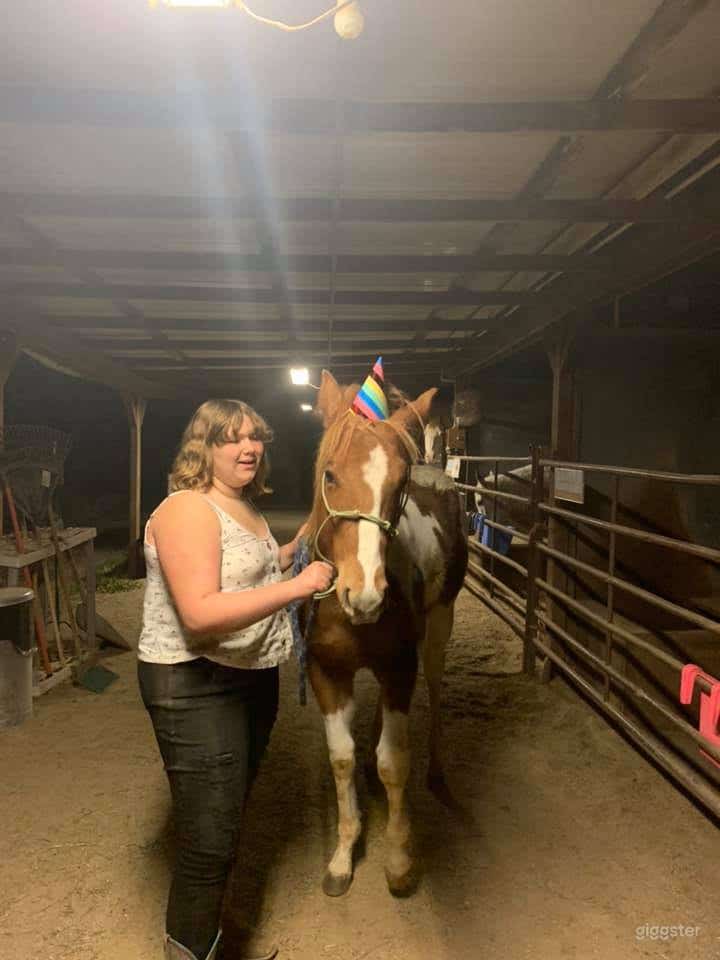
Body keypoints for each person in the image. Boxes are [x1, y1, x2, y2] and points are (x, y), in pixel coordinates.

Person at [136, 399, 333, 960]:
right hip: (194, 683)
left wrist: (297, 548)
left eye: (256, 437)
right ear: (204, 448)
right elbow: (199, 612)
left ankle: (208, 942)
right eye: (231, 438)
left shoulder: (242, 506)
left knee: (223, 818)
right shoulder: (187, 510)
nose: (249, 447)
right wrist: (300, 588)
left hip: (247, 676)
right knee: (209, 841)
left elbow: (254, 568)